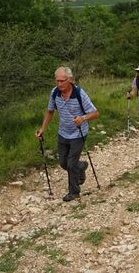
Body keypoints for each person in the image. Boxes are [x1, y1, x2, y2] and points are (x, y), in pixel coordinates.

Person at [36, 66, 99, 202]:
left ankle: (74, 192)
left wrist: (82, 118)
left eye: (62, 81)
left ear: (69, 80)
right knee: (64, 163)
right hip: (63, 133)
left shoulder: (79, 93)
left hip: (78, 133)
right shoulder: (55, 93)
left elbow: (95, 113)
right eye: (57, 81)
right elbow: (50, 111)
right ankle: (81, 167)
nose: (59, 84)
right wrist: (42, 129)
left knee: (70, 163)